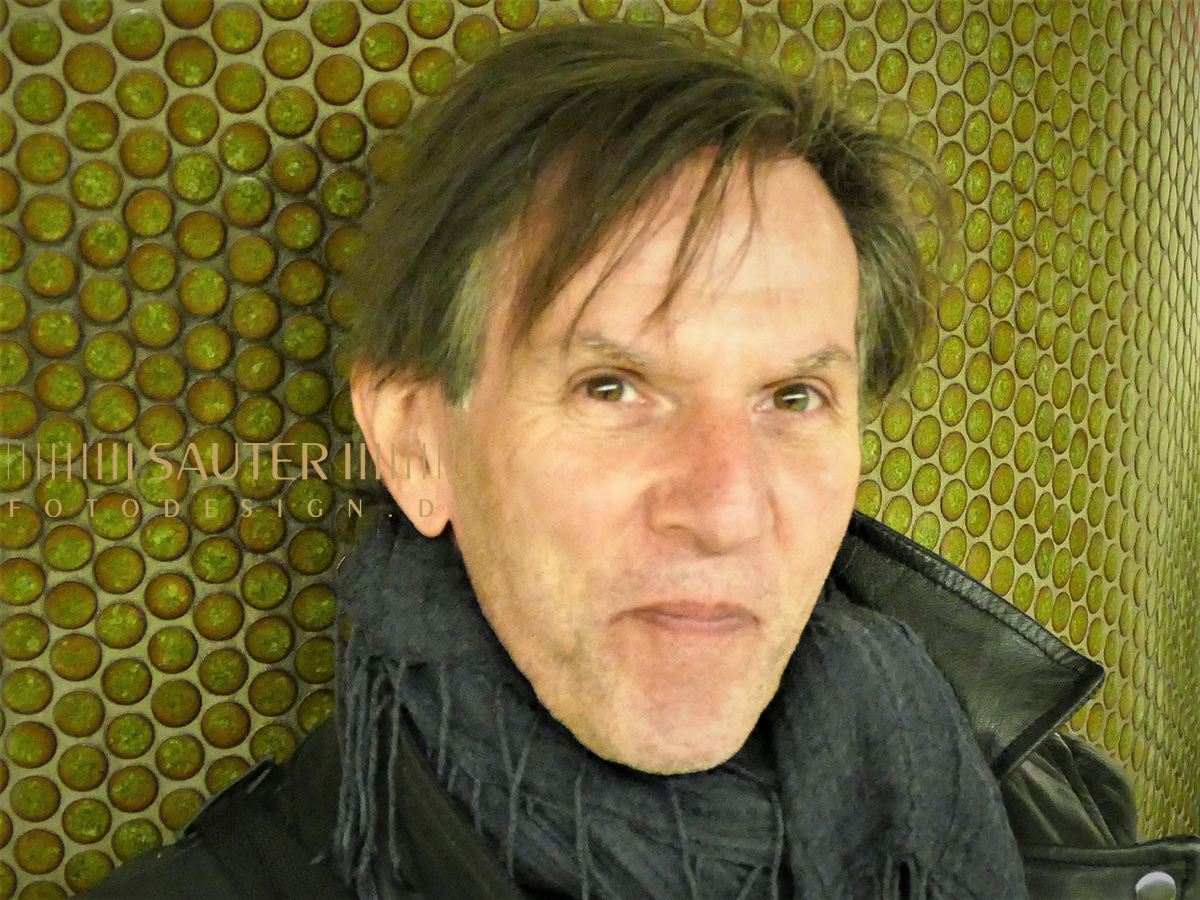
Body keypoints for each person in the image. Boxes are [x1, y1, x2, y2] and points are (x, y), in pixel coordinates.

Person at [84, 20, 1198, 900]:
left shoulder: (1045, 800)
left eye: (793, 397)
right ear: (415, 446)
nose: (725, 507)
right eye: (612, 387)